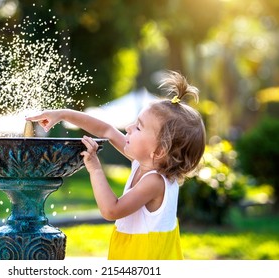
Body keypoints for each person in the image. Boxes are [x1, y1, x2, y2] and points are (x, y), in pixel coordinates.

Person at [26, 71, 206, 260]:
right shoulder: (143, 163)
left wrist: (95, 169)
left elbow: (111, 210)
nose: (128, 127)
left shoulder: (155, 182)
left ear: (159, 151)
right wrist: (63, 114)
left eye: (138, 127)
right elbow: (107, 130)